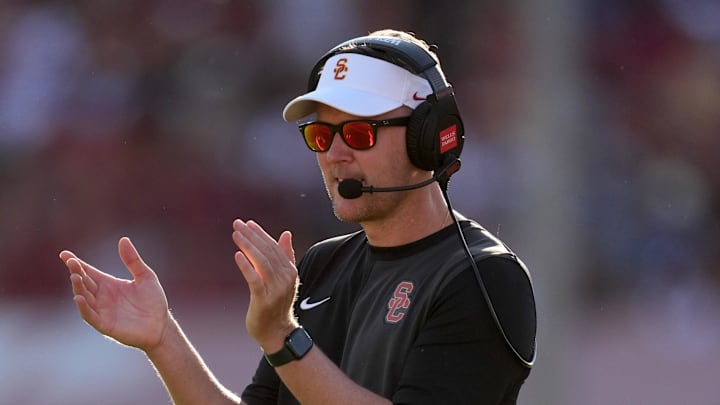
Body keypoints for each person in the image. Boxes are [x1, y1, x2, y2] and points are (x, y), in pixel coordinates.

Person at [59, 29, 537, 405]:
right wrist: (163, 339)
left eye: (359, 133)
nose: (335, 154)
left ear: (427, 136)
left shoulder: (485, 277)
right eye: (321, 137)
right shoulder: (320, 266)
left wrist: (283, 337)